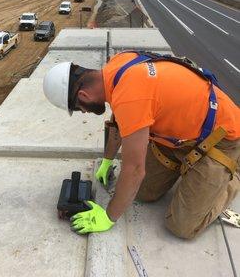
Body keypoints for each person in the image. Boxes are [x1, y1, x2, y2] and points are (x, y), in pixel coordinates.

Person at [43, 51, 240, 239]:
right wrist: (107, 160)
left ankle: (234, 175)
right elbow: (120, 121)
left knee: (181, 226)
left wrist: (108, 216)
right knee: (143, 193)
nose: (84, 112)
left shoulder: (130, 97)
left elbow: (135, 170)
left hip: (220, 138)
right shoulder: (117, 66)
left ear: (84, 96)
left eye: (78, 108)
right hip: (179, 136)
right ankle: (190, 171)